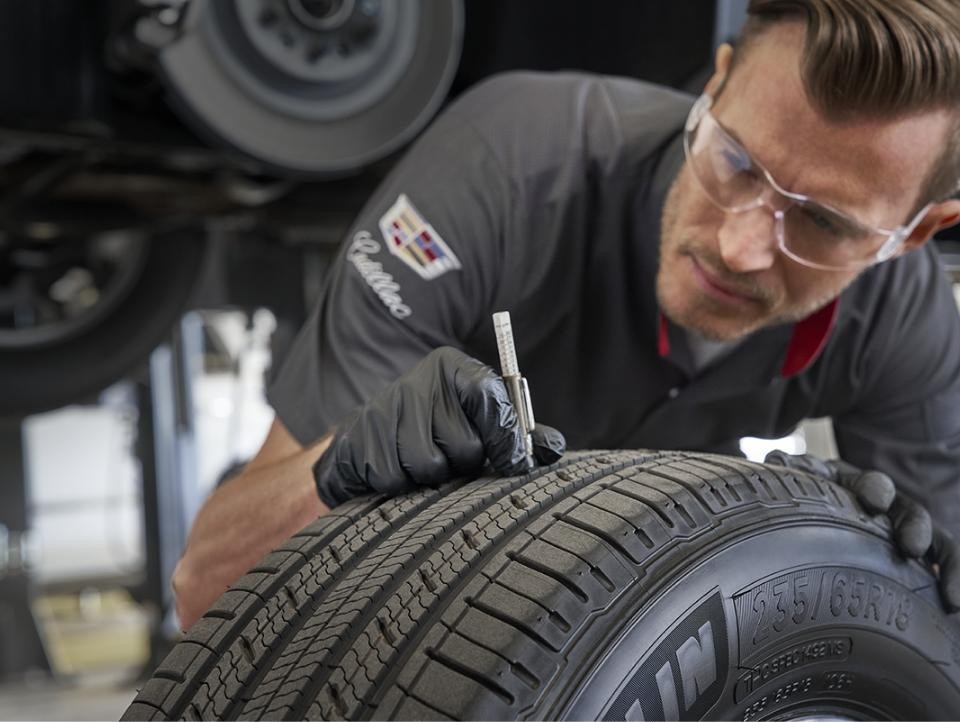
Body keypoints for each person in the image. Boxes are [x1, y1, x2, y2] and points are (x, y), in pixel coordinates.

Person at [173, 0, 960, 630]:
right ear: (714, 87)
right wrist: (336, 473)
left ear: (914, 233)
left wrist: (853, 568)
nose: (740, 245)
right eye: (737, 162)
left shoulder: (904, 316)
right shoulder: (505, 169)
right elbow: (204, 587)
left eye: (823, 222)